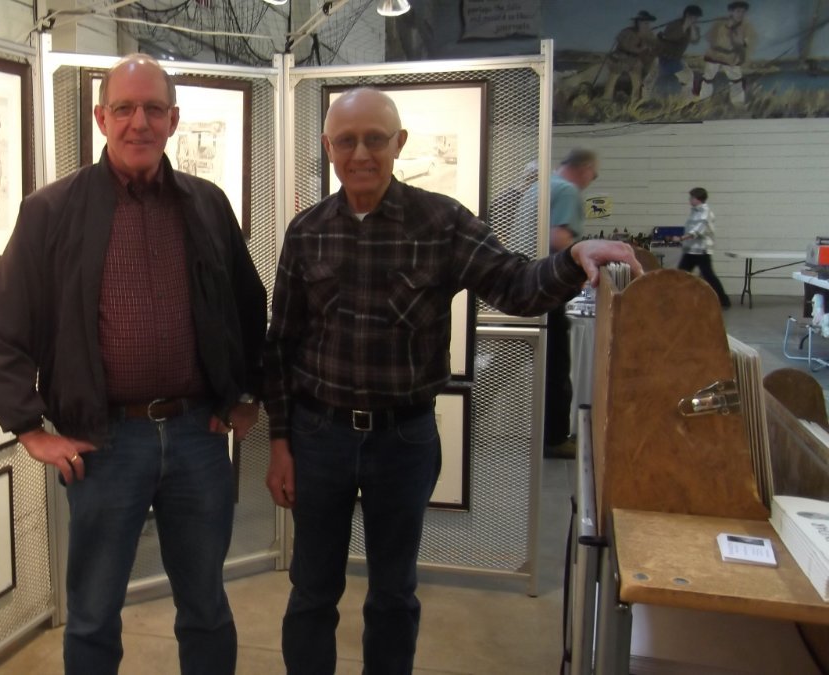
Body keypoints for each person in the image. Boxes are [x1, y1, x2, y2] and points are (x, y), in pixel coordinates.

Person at [262, 88, 639, 674]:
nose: (360, 153)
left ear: (399, 143)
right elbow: (281, 344)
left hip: (402, 441)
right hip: (318, 438)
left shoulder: (442, 222)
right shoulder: (306, 231)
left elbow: (515, 285)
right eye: (346, 141)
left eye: (375, 139)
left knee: (393, 594)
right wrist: (280, 442)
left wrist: (571, 259)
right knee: (312, 589)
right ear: (328, 147)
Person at [0, 53, 267, 675]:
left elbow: (247, 303)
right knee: (92, 615)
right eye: (125, 108)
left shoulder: (207, 204)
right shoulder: (52, 211)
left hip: (197, 437)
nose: (140, 122)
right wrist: (29, 428)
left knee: (207, 607)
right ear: (100, 117)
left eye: (154, 109)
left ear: (173, 120)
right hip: (105, 444)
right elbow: (1, 331)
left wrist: (247, 394)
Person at [518, 148, 601, 458]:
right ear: (585, 168)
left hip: (524, 283)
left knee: (523, 360)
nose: (591, 181)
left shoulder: (539, 187)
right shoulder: (566, 191)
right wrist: (583, 261)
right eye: (594, 175)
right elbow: (559, 240)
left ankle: (472, 414)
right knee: (556, 366)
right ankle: (554, 438)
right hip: (547, 287)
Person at [678, 187, 732, 308]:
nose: (689, 199)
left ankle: (724, 300)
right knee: (680, 274)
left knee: (709, 276)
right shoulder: (694, 211)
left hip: (701, 251)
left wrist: (681, 238)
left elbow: (697, 231)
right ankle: (677, 298)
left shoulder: (705, 212)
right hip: (691, 250)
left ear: (697, 199)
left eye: (691, 197)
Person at [695, 1, 757, 106]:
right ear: (731, 12)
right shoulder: (720, 23)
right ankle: (703, 102)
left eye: (743, 12)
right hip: (715, 55)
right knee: (708, 78)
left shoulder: (745, 26)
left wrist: (737, 38)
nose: (740, 14)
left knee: (737, 80)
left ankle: (738, 104)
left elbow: (744, 43)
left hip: (731, 57)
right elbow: (709, 37)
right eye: (738, 11)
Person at [603, 11, 659, 102]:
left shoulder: (648, 34)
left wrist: (654, 42)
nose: (647, 25)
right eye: (644, 23)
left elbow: (654, 44)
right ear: (638, 22)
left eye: (648, 23)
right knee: (613, 79)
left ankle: (635, 101)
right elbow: (627, 46)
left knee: (637, 82)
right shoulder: (627, 32)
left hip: (635, 60)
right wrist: (642, 47)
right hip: (621, 58)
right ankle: (606, 98)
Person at [653, 5, 704, 98]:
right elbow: (672, 37)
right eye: (694, 17)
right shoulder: (674, 24)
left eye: (697, 18)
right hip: (665, 56)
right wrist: (685, 26)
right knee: (666, 78)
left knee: (687, 77)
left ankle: (679, 97)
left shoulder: (693, 28)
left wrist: (691, 26)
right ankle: (658, 95)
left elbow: (695, 40)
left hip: (676, 58)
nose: (695, 19)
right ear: (687, 15)